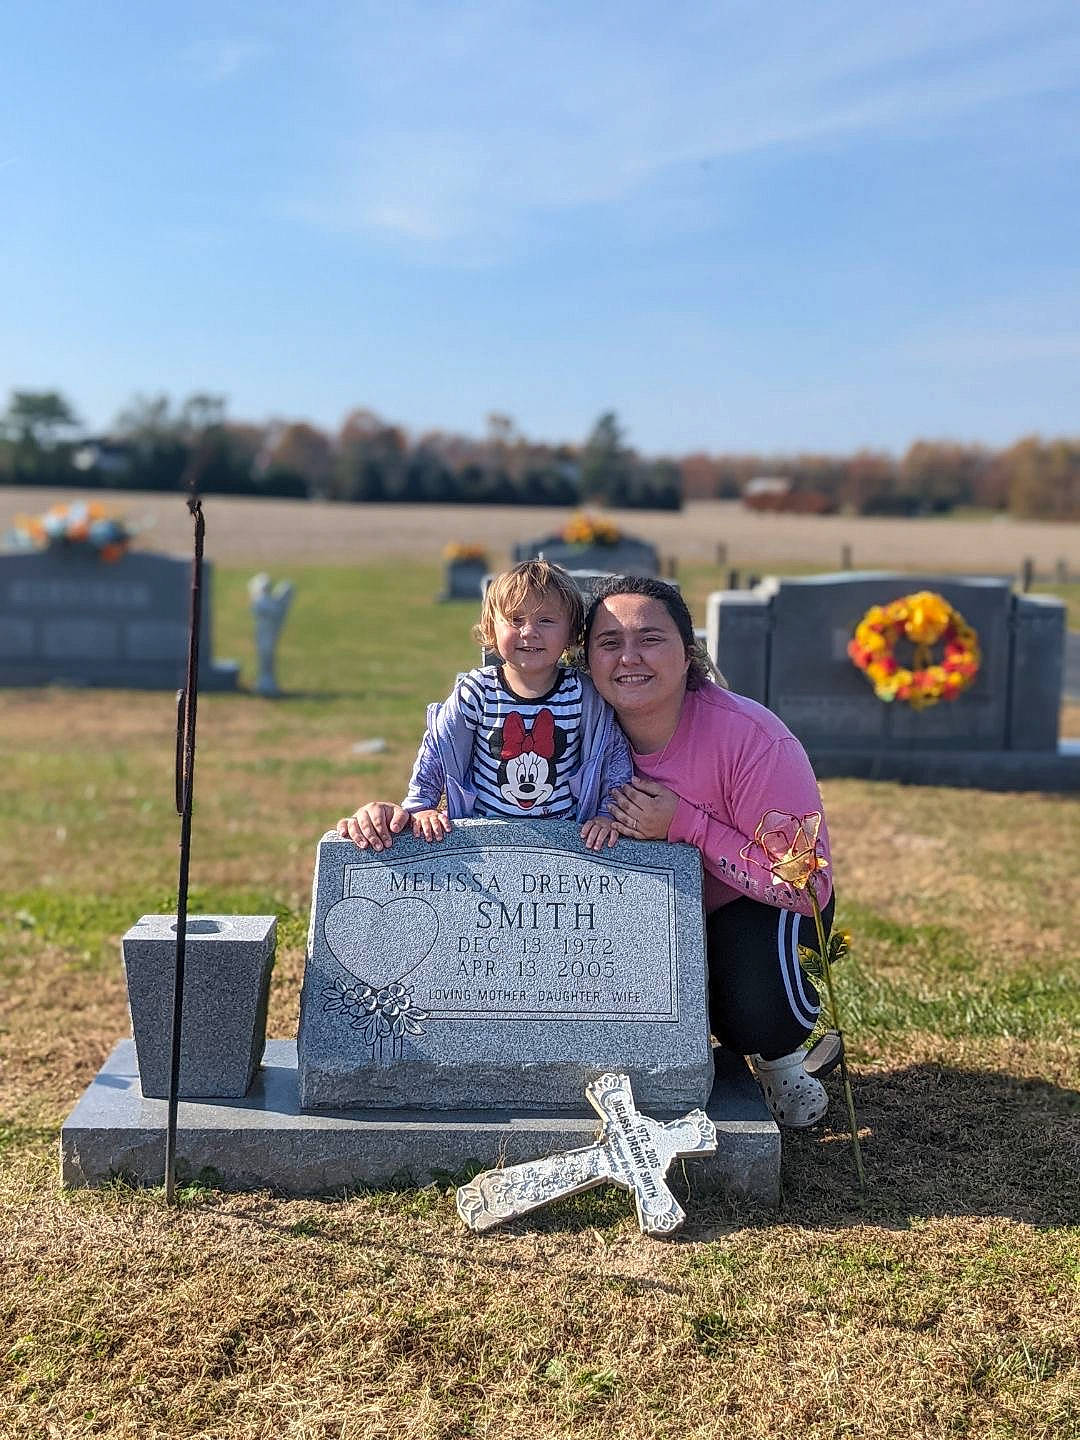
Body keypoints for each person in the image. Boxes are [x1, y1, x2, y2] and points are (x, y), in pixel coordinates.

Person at [582, 573, 837, 1127]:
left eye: (650, 638)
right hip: (637, 912)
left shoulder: (751, 738)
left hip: (747, 905)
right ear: (587, 658)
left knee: (750, 1011)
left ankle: (781, 1054)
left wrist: (686, 824)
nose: (630, 657)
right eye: (609, 642)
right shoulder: (572, 730)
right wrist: (403, 811)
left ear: (689, 651)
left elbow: (806, 886)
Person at [337, 559, 633, 854]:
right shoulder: (477, 690)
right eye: (515, 620)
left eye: (546, 620)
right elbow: (440, 746)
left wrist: (607, 814)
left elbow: (612, 753)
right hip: (485, 838)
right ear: (492, 627)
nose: (529, 632)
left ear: (571, 632)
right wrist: (421, 806)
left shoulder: (583, 694)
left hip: (563, 838)